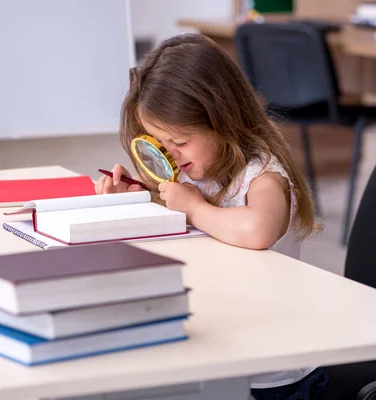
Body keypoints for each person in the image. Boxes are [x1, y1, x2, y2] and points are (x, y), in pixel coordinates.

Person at [95, 33, 327, 399]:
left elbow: (258, 229)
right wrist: (137, 200)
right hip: (221, 349)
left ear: (221, 119)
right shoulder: (194, 174)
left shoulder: (262, 174)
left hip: (274, 374)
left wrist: (195, 208)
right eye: (159, 143)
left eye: (181, 142)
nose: (171, 156)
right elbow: (187, 224)